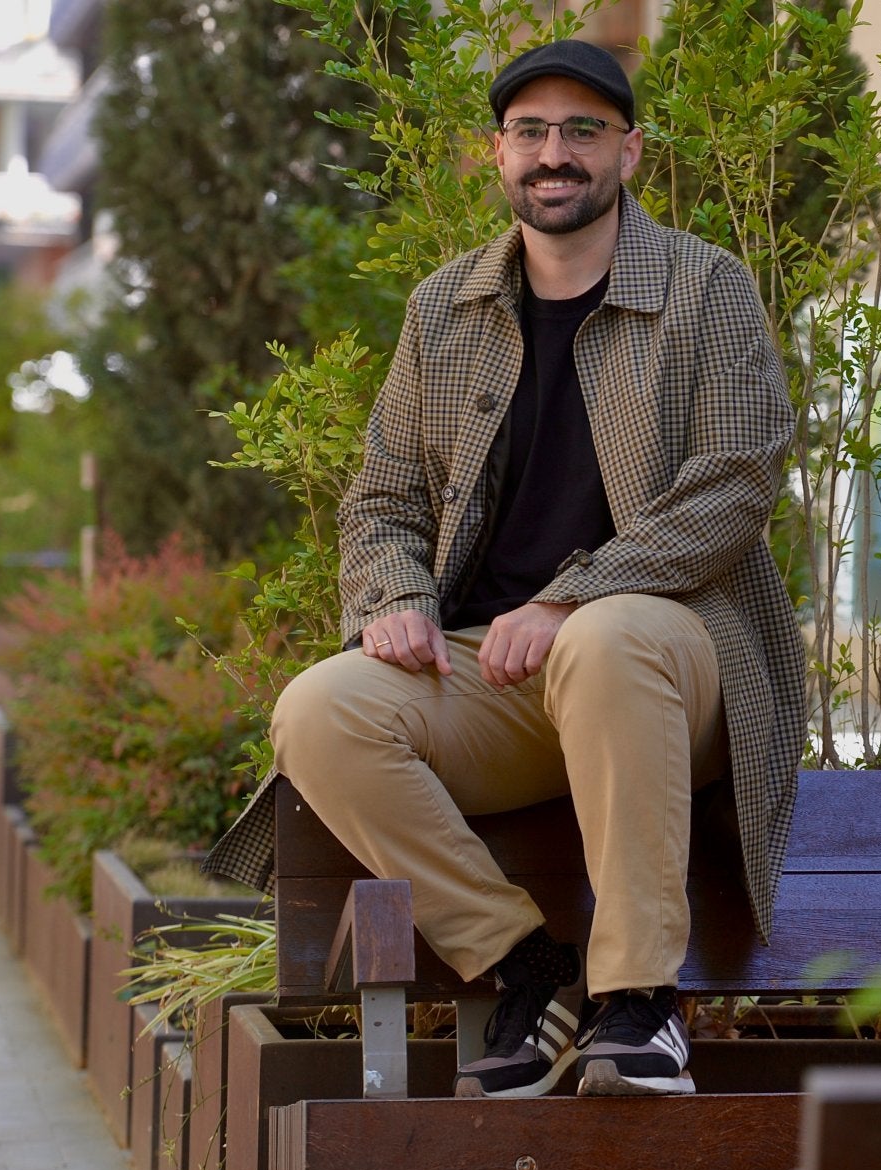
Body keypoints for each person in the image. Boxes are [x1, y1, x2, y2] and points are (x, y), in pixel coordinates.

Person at [203, 39, 804, 1099]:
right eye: (530, 132)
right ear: (497, 155)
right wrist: (393, 600)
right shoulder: (447, 309)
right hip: (502, 673)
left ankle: (639, 1006)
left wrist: (570, 595)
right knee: (322, 710)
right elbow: (380, 497)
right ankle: (527, 964)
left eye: (582, 131)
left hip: (673, 654)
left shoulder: (708, 289)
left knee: (612, 636)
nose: (554, 153)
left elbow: (737, 482)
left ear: (631, 152)